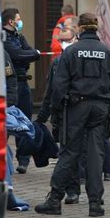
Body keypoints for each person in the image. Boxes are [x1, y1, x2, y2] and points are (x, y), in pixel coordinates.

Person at [35, 13, 110, 217]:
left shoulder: (71, 52)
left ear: (80, 29)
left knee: (69, 153)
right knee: (95, 155)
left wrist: (55, 113)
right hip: (101, 108)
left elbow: (59, 86)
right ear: (97, 28)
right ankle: (95, 204)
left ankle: (55, 200)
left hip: (76, 108)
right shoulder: (108, 53)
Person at [35, 16, 82, 205]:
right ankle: (73, 190)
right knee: (68, 152)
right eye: (61, 41)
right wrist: (43, 117)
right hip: (63, 114)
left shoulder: (80, 60)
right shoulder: (56, 63)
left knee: (76, 154)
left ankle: (74, 191)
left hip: (80, 113)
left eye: (67, 40)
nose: (63, 44)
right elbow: (50, 92)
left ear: (76, 39)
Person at [1, 8, 40, 174]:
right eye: (18, 18)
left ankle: (23, 159)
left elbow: (29, 51)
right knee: (8, 120)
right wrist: (30, 54)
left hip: (23, 84)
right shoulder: (3, 38)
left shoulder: (18, 36)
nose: (20, 21)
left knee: (24, 121)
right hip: (9, 84)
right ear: (11, 21)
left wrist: (31, 54)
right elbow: (17, 55)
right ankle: (2, 157)